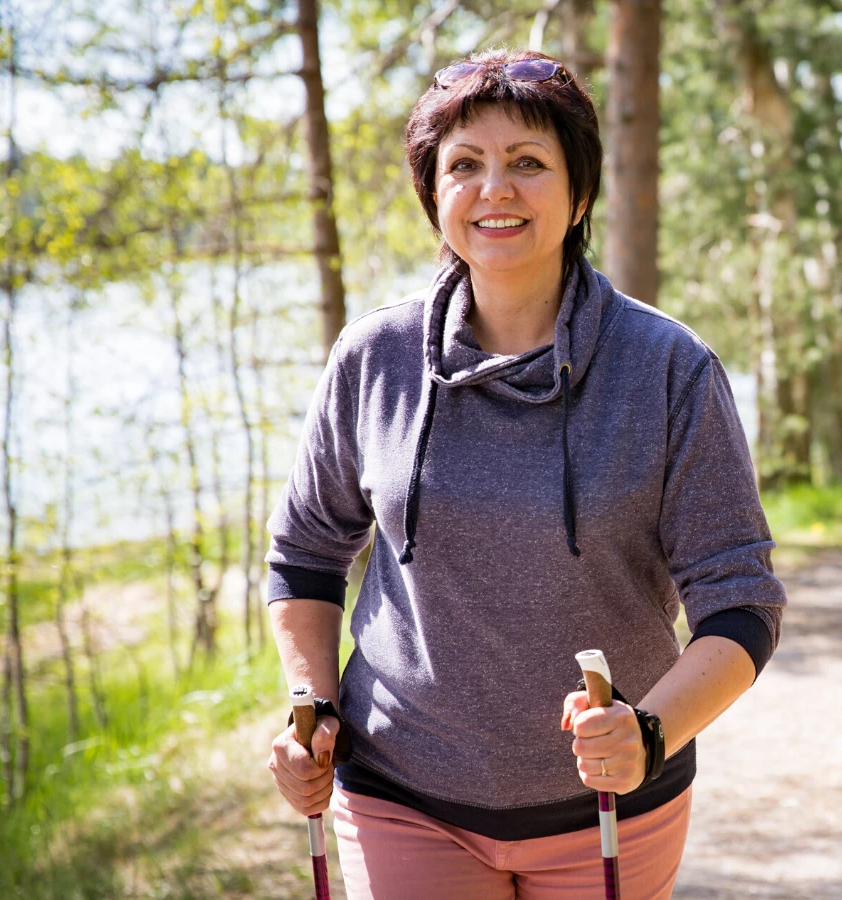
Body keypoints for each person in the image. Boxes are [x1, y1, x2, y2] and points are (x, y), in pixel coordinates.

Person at [263, 49, 786, 900]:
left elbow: (742, 601)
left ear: (579, 195)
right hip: (401, 792)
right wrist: (310, 706)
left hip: (613, 808)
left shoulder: (667, 368)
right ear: (434, 195)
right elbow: (306, 556)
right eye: (464, 164)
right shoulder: (374, 358)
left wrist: (650, 734)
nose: (494, 188)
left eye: (528, 163)